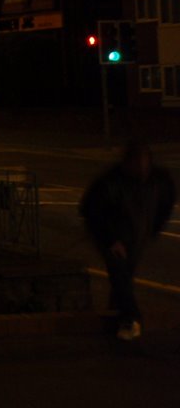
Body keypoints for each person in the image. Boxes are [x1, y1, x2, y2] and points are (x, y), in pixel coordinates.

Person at [79, 139, 175, 341]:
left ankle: (114, 317)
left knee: (124, 277)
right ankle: (131, 319)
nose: (141, 169)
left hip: (137, 236)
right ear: (127, 163)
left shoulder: (158, 179)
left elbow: (167, 200)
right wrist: (111, 239)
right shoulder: (110, 182)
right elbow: (91, 210)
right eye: (137, 164)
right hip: (112, 237)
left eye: (144, 164)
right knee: (120, 274)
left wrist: (154, 228)